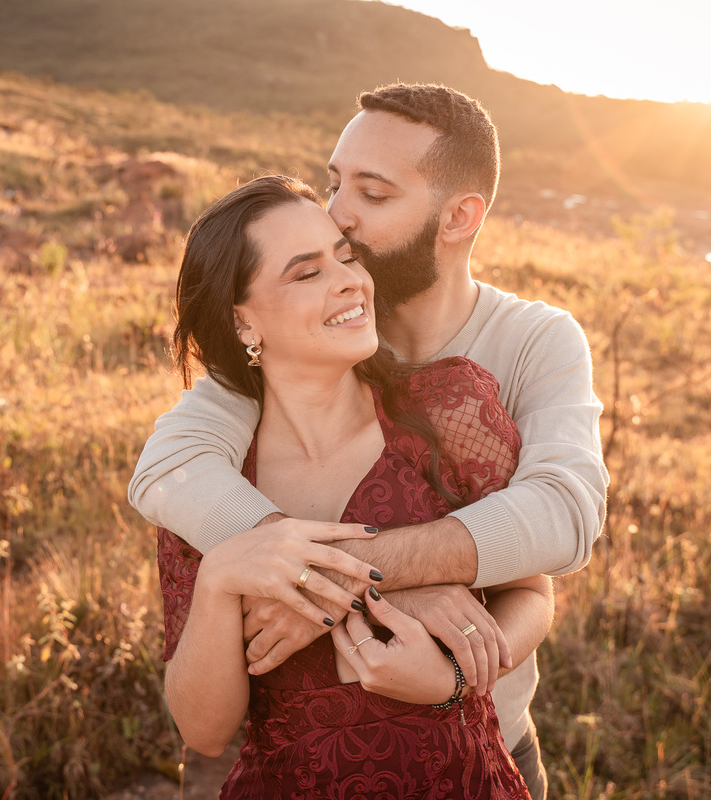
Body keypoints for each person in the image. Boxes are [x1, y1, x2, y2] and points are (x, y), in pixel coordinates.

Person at [132, 84, 609, 799]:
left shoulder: (518, 351)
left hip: (478, 737)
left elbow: (562, 518)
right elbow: (169, 469)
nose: (339, 217)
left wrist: (359, 582)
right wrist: (273, 574)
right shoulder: (278, 358)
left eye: (374, 194)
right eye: (333, 183)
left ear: (458, 217)